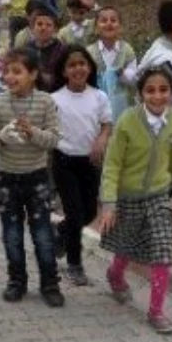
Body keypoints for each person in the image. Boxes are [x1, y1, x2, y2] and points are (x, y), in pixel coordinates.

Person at [98, 67, 172, 335]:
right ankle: (115, 274)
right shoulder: (127, 121)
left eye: (163, 90)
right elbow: (112, 165)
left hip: (159, 197)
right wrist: (109, 204)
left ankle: (156, 311)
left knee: (162, 250)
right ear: (140, 94)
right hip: (129, 197)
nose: (158, 96)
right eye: (150, 90)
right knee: (126, 246)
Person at [0, 47, 64, 306]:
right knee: (12, 233)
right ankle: (16, 280)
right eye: (6, 71)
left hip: (37, 178)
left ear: (33, 74)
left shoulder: (45, 102)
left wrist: (33, 133)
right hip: (7, 179)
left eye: (17, 71)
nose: (10, 77)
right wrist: (2, 138)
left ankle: (50, 283)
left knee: (42, 232)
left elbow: (53, 139)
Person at [51, 45, 112, 286]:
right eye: (72, 65)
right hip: (63, 162)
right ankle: (74, 264)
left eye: (82, 64)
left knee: (89, 212)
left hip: (90, 162)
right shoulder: (54, 99)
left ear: (90, 67)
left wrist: (102, 138)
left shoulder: (99, 96)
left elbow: (107, 124)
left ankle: (61, 232)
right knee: (75, 213)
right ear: (64, 71)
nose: (78, 69)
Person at [87, 6, 138, 111]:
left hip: (124, 106)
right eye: (104, 21)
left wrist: (124, 74)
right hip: (97, 107)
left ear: (120, 27)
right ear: (96, 28)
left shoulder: (127, 50)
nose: (109, 23)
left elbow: (134, 78)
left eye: (113, 20)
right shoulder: (89, 52)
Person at [24, 4, 66, 93]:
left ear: (55, 29)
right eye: (39, 24)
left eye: (48, 25)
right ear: (32, 28)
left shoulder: (62, 50)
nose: (43, 28)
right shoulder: (26, 49)